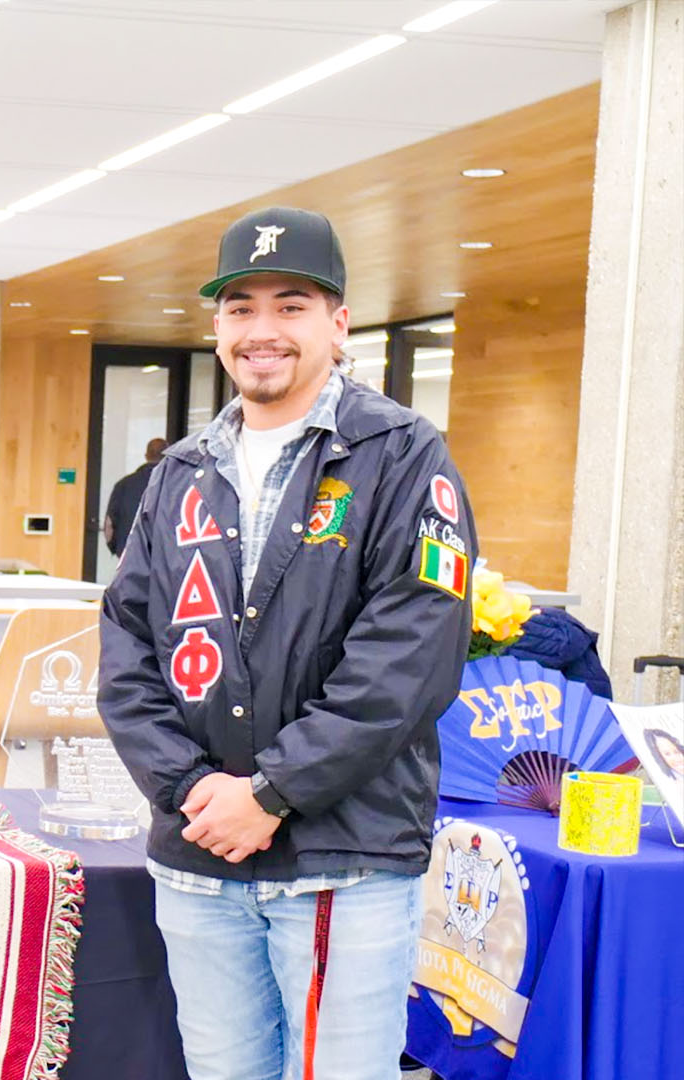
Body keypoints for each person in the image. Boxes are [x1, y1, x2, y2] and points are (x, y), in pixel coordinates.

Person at [97, 206, 475, 1080]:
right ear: (217, 327)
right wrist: (196, 791)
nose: (263, 329)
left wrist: (270, 793)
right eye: (241, 307)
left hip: (344, 856)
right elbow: (128, 648)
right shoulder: (181, 472)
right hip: (199, 857)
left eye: (292, 304)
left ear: (338, 323)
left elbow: (409, 657)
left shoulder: (402, 454)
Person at [103, 437, 167, 556]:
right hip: (163, 557)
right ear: (167, 458)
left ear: (146, 456)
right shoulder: (174, 485)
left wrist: (116, 548)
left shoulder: (123, 485)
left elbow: (109, 525)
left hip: (128, 553)